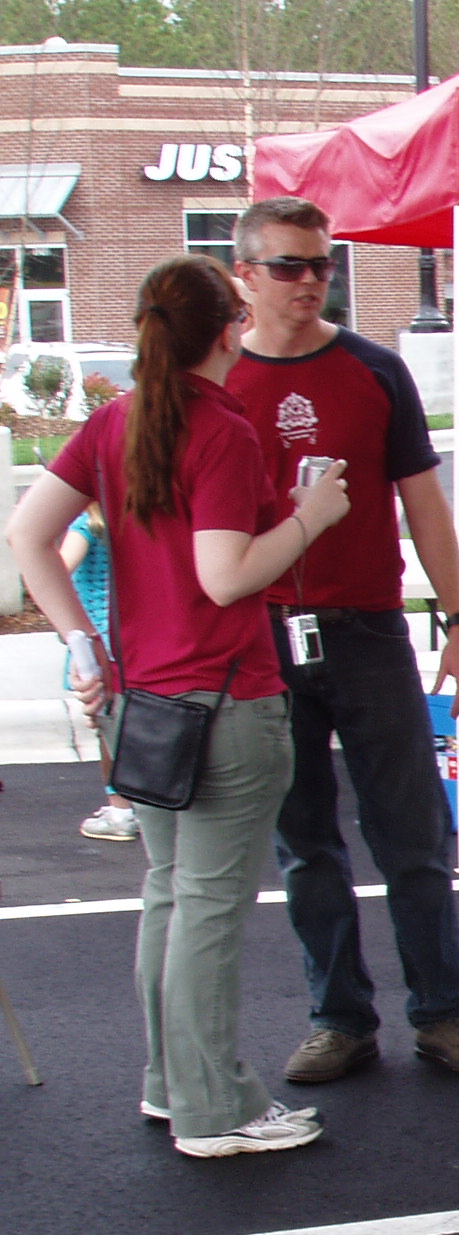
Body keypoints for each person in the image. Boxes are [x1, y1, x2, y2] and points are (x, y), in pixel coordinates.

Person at [7, 253, 352, 1155]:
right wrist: (311, 515)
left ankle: (176, 1086)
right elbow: (226, 575)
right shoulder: (220, 430)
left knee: (171, 897)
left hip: (144, 702)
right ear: (230, 329)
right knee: (203, 910)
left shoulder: (115, 422)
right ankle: (214, 1108)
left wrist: (84, 643)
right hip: (226, 703)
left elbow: (28, 534)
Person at [226, 194, 459, 1083]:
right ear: (244, 275)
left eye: (322, 264)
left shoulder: (375, 370)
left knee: (412, 834)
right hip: (264, 636)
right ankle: (339, 1018)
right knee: (305, 843)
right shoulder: (219, 378)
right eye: (289, 265)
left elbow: (424, 503)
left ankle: (444, 1012)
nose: (310, 281)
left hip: (369, 630)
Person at [61, 508, 134, 840]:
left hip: (98, 641)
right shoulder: (131, 518)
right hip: (136, 638)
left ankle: (121, 810)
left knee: (108, 729)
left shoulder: (87, 525)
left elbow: (60, 567)